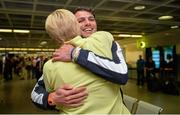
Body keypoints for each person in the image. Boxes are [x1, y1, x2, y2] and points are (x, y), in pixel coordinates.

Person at [31, 7, 128, 109]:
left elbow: (121, 75)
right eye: (80, 21)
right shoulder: (59, 57)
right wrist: (51, 98)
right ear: (72, 25)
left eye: (91, 19)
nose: (88, 23)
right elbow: (36, 92)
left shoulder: (108, 43)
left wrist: (75, 54)